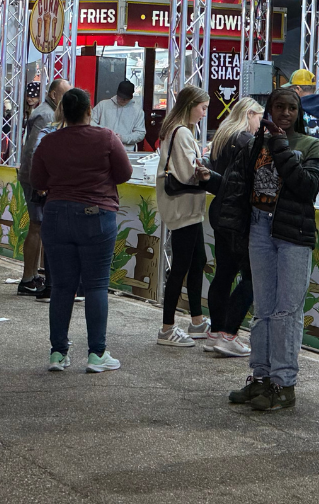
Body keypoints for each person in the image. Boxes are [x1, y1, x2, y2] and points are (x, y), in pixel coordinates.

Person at [218, 88, 319, 411]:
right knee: (263, 309)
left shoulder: (310, 144)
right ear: (270, 110)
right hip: (259, 228)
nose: (286, 113)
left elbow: (306, 187)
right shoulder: (255, 144)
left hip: (293, 233)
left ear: (298, 113)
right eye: (279, 107)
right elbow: (240, 185)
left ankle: (284, 383)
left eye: (292, 108)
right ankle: (261, 377)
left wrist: (279, 145)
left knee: (286, 311)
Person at [31, 87, 132, 372]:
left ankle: (57, 353)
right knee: (96, 285)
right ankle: (96, 354)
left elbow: (37, 180)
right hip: (96, 216)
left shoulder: (49, 142)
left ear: (63, 111)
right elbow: (124, 174)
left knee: (62, 286)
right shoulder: (107, 138)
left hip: (56, 216)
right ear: (89, 110)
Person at [155, 86, 215, 347]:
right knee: (180, 266)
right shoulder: (181, 132)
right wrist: (205, 166)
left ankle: (197, 321)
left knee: (197, 261)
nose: (204, 113)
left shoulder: (176, 130)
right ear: (190, 105)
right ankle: (167, 328)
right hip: (183, 207)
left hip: (187, 208)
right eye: (203, 108)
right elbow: (188, 172)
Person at [204, 97, 262, 357]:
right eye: (259, 117)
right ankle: (229, 333)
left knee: (223, 274)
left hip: (220, 210)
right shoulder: (245, 140)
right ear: (249, 113)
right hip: (238, 214)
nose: (260, 124)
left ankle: (216, 333)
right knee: (251, 276)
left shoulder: (221, 137)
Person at [17, 78, 71, 295]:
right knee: (37, 226)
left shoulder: (48, 113)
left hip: (37, 178)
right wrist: (38, 180)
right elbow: (33, 150)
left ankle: (33, 275)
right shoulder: (46, 115)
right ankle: (27, 278)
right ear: (54, 95)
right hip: (36, 180)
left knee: (39, 226)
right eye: (64, 95)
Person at [91, 80, 147, 151]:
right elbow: (90, 121)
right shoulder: (103, 105)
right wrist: (104, 133)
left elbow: (140, 133)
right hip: (102, 148)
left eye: (126, 98)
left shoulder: (137, 111)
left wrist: (123, 138)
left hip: (125, 150)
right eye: (121, 97)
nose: (123, 100)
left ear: (131, 96)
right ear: (117, 94)